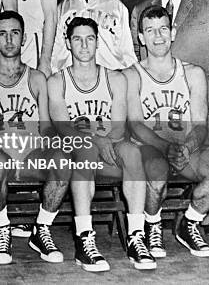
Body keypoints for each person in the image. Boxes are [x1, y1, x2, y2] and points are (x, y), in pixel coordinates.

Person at [48, 17, 155, 272]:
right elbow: (63, 127)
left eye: (90, 38)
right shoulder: (57, 81)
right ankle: (84, 239)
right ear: (68, 43)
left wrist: (101, 139)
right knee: (84, 149)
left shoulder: (115, 79)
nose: (84, 45)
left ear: (98, 42)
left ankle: (136, 237)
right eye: (77, 39)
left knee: (131, 151)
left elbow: (118, 127)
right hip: (77, 150)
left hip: (109, 149)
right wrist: (95, 138)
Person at [0, 11, 70, 265]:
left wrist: (56, 145)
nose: (8, 40)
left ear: (24, 38)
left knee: (63, 160)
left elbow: (47, 126)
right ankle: (2, 229)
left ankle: (42, 229)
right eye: (2, 34)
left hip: (31, 156)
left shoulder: (37, 78)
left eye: (14, 33)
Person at [124, 5, 209, 259]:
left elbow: (200, 124)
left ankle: (189, 223)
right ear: (141, 38)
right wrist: (166, 147)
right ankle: (152, 224)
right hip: (150, 149)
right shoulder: (131, 75)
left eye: (163, 29)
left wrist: (186, 148)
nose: (158, 36)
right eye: (150, 31)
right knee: (156, 170)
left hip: (185, 149)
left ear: (173, 32)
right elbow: (135, 124)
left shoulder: (193, 73)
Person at [52, 0, 136, 73]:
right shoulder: (61, 9)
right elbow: (55, 54)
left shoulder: (117, 6)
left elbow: (127, 51)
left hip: (110, 77)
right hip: (71, 79)